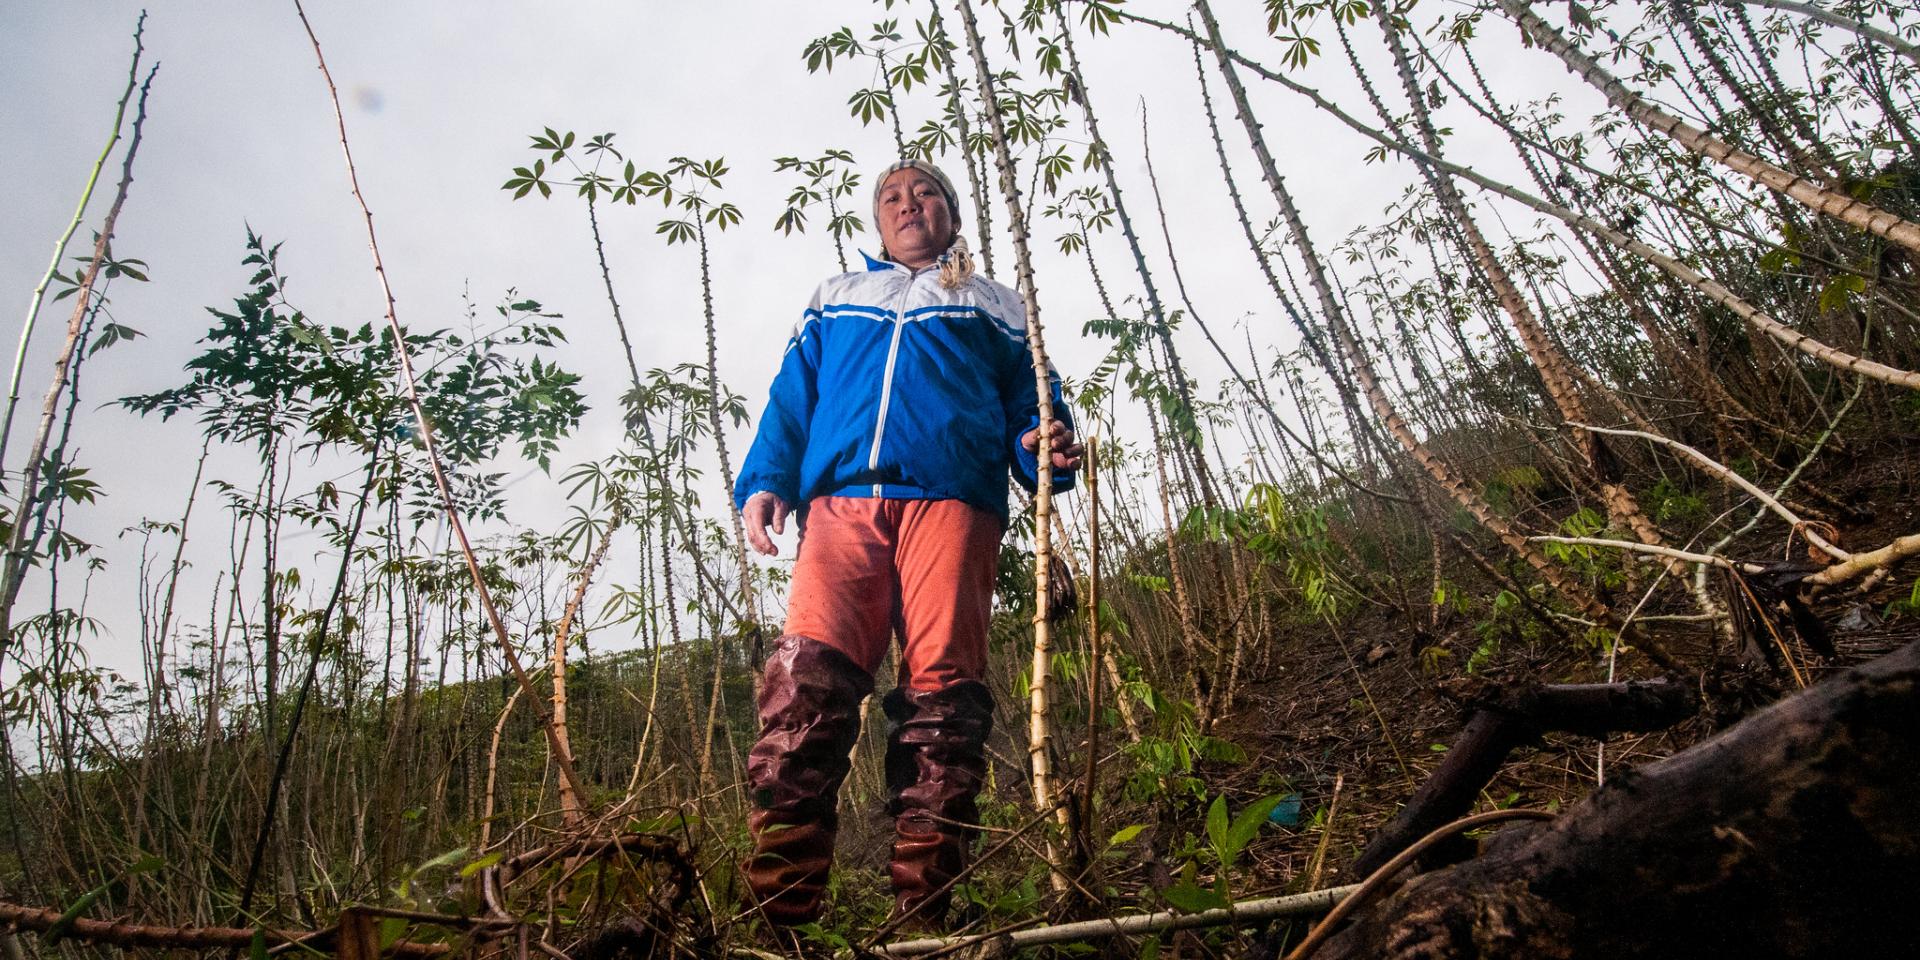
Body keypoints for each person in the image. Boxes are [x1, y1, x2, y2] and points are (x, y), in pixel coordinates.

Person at [732, 159, 1083, 930]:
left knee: (942, 705)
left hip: (953, 504)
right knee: (803, 696)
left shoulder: (994, 302)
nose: (909, 202)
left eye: (925, 192)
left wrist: (1044, 444)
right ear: (877, 220)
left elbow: (1034, 402)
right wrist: (765, 482)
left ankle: (922, 918)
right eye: (892, 195)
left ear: (952, 213)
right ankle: (780, 921)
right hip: (841, 508)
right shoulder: (837, 297)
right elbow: (793, 398)